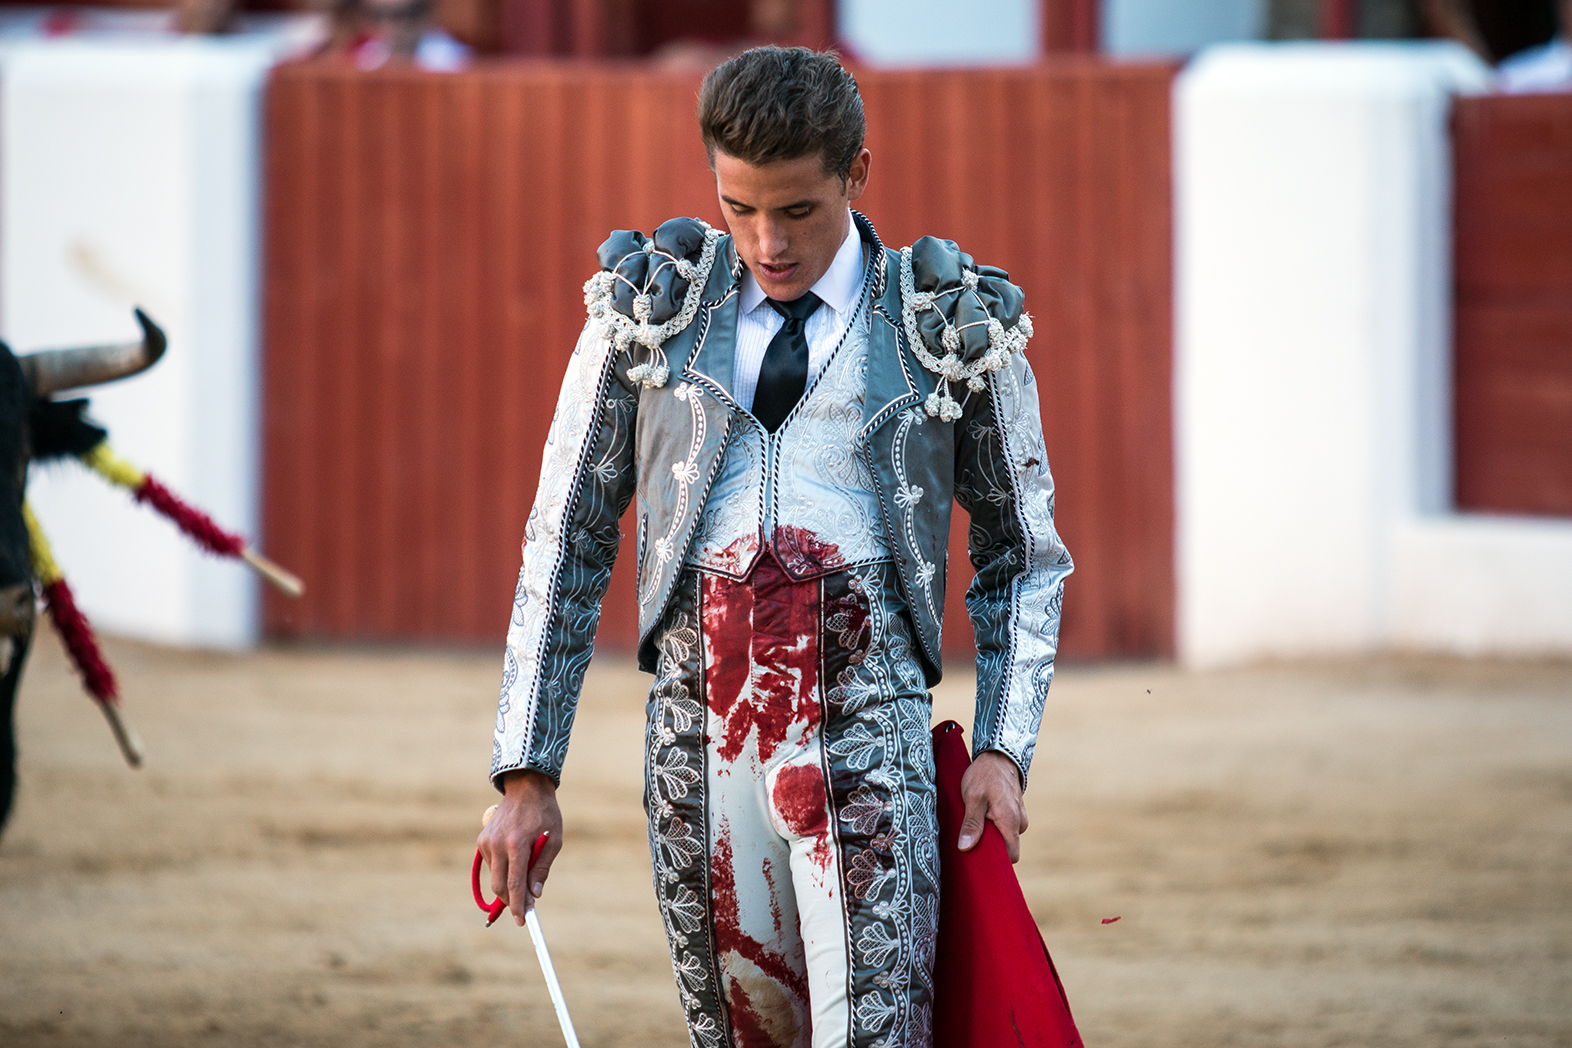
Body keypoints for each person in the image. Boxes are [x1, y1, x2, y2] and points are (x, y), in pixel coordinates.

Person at [478, 46, 1071, 1048]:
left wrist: (1006, 748)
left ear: (857, 174)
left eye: (797, 210)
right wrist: (525, 770)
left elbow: (1024, 554)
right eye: (739, 207)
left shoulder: (946, 318)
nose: (766, 241)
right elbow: (566, 537)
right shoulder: (647, 313)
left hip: (866, 740)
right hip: (693, 744)